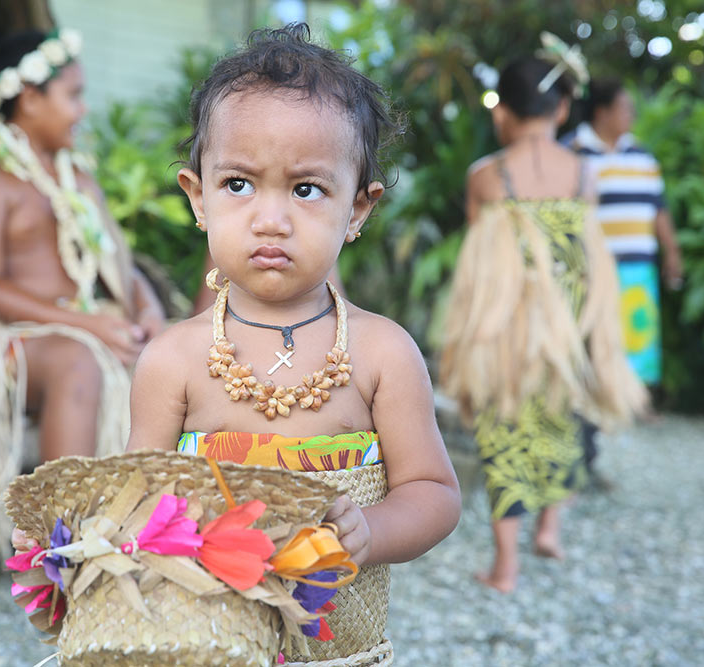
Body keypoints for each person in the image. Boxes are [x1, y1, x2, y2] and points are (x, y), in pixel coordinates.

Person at [123, 24, 460, 662]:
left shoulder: (382, 353)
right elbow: (138, 501)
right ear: (198, 197)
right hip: (202, 643)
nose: (270, 219)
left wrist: (373, 529)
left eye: (306, 189)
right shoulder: (174, 360)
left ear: (358, 209)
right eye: (239, 185)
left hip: (337, 650)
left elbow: (435, 493)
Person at [0, 28, 166, 562]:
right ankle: (62, 544)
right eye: (72, 95)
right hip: (12, 334)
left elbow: (117, 262)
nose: (82, 109)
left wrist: (148, 311)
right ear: (29, 99)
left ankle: (149, 532)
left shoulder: (76, 177)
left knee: (170, 361)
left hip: (80, 322)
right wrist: (87, 326)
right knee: (77, 363)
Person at [441, 51, 646, 593]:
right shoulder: (583, 175)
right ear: (562, 110)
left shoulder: (487, 177)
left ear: (501, 113)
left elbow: (476, 264)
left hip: (504, 328)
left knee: (503, 428)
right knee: (566, 417)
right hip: (573, 322)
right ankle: (551, 527)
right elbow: (588, 256)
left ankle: (505, 566)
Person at [565, 78, 682, 386]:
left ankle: (636, 400)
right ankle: (593, 400)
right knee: (592, 333)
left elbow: (659, 209)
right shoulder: (572, 152)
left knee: (637, 332)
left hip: (638, 264)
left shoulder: (642, 156)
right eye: (625, 108)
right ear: (602, 112)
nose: (631, 115)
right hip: (591, 266)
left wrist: (672, 252)